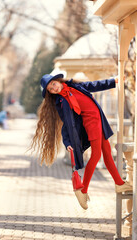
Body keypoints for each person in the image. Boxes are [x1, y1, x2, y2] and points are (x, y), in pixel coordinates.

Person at [30, 73, 132, 210]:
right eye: (50, 89)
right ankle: (83, 191)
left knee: (107, 152)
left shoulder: (74, 86)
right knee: (96, 155)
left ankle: (119, 183)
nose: (54, 89)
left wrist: (113, 81)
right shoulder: (61, 102)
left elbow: (93, 85)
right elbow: (65, 124)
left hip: (100, 121)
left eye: (53, 84)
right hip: (91, 124)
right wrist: (67, 143)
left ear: (58, 81)